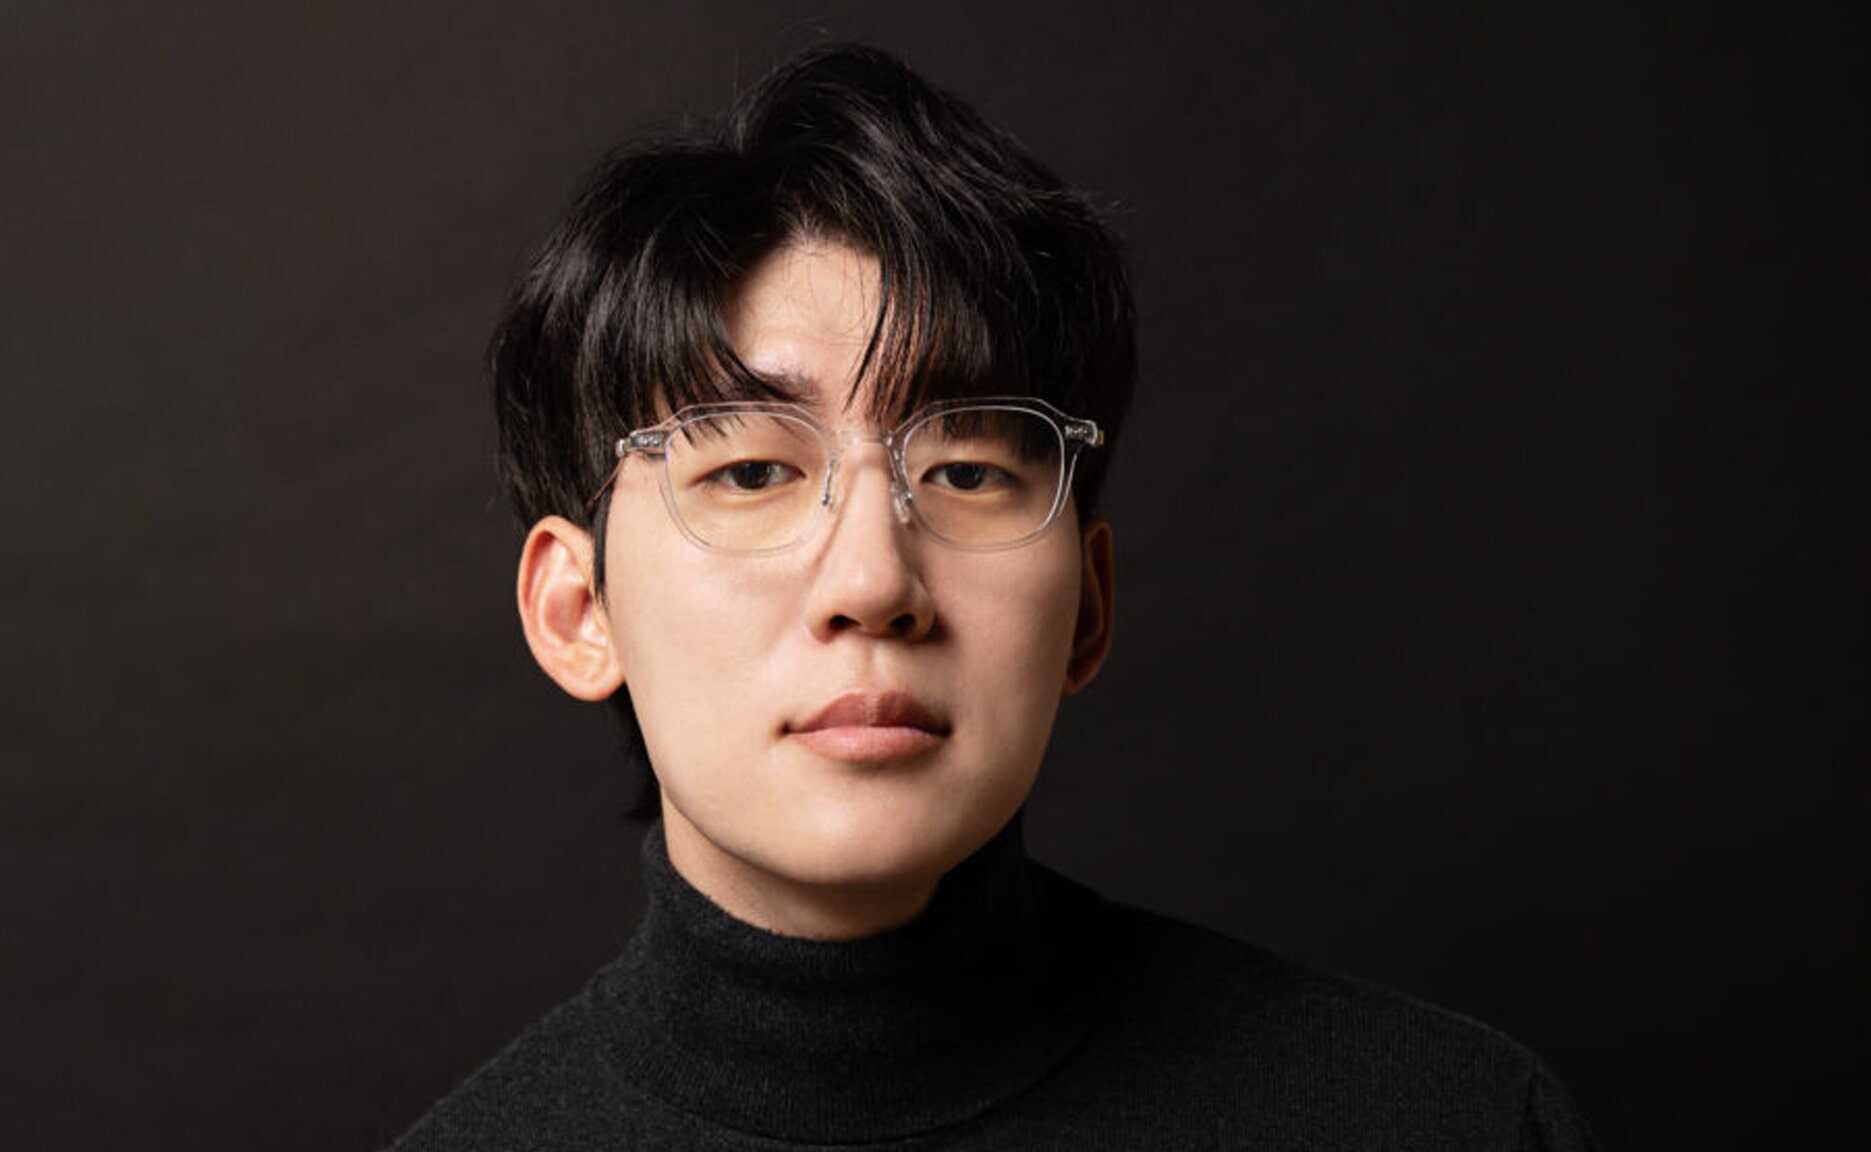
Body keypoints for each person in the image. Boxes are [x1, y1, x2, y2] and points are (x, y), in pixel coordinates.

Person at [386, 41, 1598, 1151]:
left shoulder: (1447, 1124)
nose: (872, 581)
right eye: (750, 469)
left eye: (965, 470)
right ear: (576, 609)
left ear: (1085, 605)